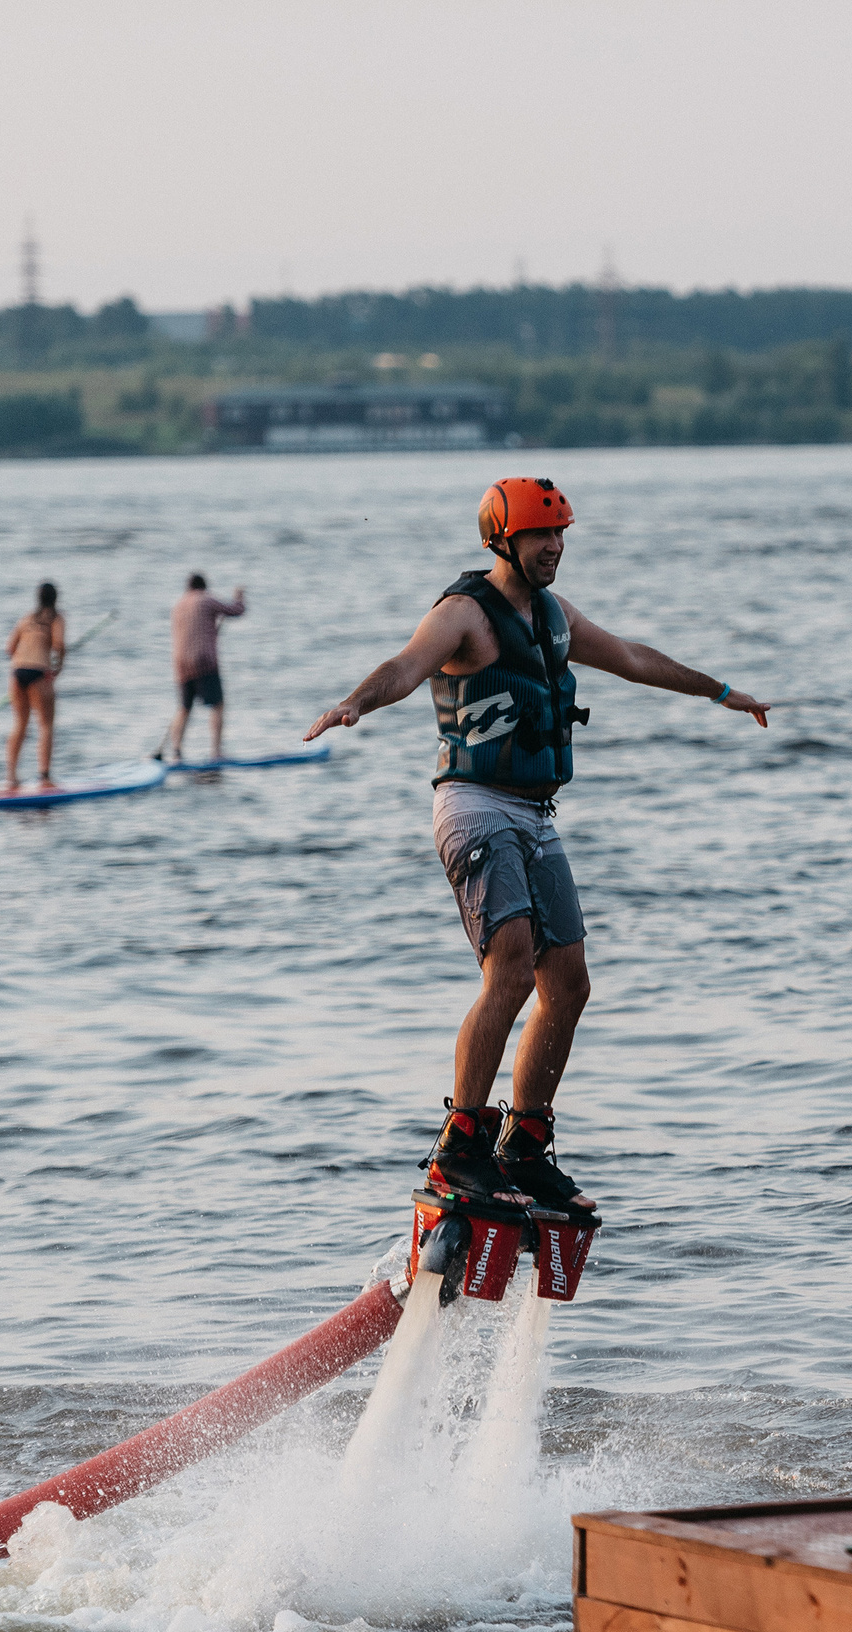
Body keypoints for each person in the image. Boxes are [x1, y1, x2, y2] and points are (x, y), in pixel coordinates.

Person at [302, 478, 771, 1218]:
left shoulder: (554, 615)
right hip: (475, 806)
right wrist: (356, 702)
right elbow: (405, 665)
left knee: (571, 982)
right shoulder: (463, 614)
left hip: (535, 813)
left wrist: (721, 693)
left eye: (561, 535)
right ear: (503, 541)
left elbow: (635, 659)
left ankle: (523, 1145)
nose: (554, 547)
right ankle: (461, 1145)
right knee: (512, 970)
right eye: (540, 536)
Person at [161, 573, 247, 763]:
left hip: (181, 665)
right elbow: (236, 610)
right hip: (204, 662)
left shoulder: (178, 605)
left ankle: (176, 752)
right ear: (203, 587)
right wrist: (239, 596)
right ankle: (216, 752)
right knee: (217, 705)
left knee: (184, 708)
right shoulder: (206, 599)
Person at [4, 582, 65, 789]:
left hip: (17, 672)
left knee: (20, 724)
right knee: (45, 725)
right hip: (39, 672)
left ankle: (11, 776)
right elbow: (59, 645)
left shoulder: (26, 618)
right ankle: (44, 776)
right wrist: (58, 666)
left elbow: (9, 648)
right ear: (55, 599)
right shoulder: (57, 618)